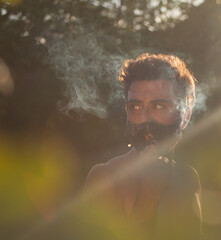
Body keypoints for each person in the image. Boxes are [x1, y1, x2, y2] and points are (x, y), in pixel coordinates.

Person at [85, 53, 203, 240]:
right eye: (135, 107)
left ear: (185, 116)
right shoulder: (106, 178)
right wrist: (150, 192)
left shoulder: (187, 178)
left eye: (158, 106)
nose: (144, 118)